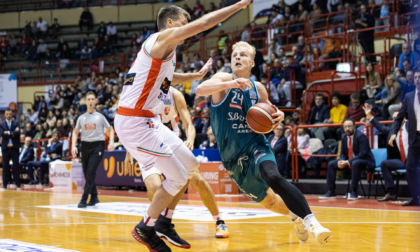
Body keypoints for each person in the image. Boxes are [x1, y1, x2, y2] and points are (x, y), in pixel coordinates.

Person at [114, 3, 252, 251]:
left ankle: (164, 222)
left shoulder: (167, 51)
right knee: (176, 177)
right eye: (182, 23)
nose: (185, 28)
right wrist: (238, 6)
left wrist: (194, 76)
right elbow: (202, 25)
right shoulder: (161, 38)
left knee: (190, 165)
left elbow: (168, 78)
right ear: (169, 24)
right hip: (135, 121)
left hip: (149, 120)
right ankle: (146, 227)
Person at [195, 41, 332, 245]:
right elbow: (200, 89)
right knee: (268, 200)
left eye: (243, 55)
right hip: (233, 157)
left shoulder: (258, 88)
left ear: (251, 62)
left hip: (256, 144)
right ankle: (295, 218)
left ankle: (314, 223)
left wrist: (278, 117)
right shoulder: (223, 80)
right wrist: (230, 84)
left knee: (273, 176)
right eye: (235, 55)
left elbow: (271, 114)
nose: (237, 58)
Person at [125, 86, 229, 240]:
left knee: (198, 180)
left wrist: (190, 139)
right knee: (154, 186)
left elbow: (189, 125)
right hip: (149, 145)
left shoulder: (175, 94)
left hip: (171, 143)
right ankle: (159, 222)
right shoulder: (143, 92)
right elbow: (133, 125)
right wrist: (129, 152)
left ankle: (219, 221)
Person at [72, 91, 115, 208]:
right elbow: (75, 132)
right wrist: (73, 145)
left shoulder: (100, 116)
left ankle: (84, 199)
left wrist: (111, 142)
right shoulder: (81, 117)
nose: (91, 101)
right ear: (85, 101)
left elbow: (110, 129)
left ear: (96, 101)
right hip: (85, 146)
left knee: (91, 172)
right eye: (88, 99)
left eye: (92, 99)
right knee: (87, 175)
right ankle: (94, 197)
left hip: (98, 146)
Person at [320, 119, 375, 200]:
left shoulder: (361, 136)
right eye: (345, 127)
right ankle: (331, 191)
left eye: (349, 126)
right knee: (331, 164)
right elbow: (343, 153)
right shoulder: (343, 136)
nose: (347, 129)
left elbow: (362, 154)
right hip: (350, 161)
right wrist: (341, 160)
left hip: (366, 162)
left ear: (354, 127)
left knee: (355, 163)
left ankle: (354, 192)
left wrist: (348, 162)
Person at [388, 70, 420, 206]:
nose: (418, 79)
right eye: (416, 77)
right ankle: (415, 198)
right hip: (415, 137)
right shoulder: (409, 96)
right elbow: (399, 117)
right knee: (410, 167)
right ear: (413, 80)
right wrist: (394, 132)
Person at [363, 104, 407, 202]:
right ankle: (391, 192)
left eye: (398, 117)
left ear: (404, 118)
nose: (396, 119)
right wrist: (369, 115)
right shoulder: (392, 131)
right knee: (384, 164)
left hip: (412, 160)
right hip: (400, 160)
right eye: (394, 118)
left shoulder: (410, 130)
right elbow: (380, 127)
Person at [0, 109, 21, 190]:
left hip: (15, 147)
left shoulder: (16, 122)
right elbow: (2, 134)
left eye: (10, 114)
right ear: (5, 114)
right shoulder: (1, 124)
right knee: (5, 166)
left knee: (16, 166)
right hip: (5, 148)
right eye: (7, 114)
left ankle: (18, 184)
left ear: (12, 114)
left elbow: (18, 132)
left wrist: (8, 133)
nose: (9, 115)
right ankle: (4, 184)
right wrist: (12, 133)